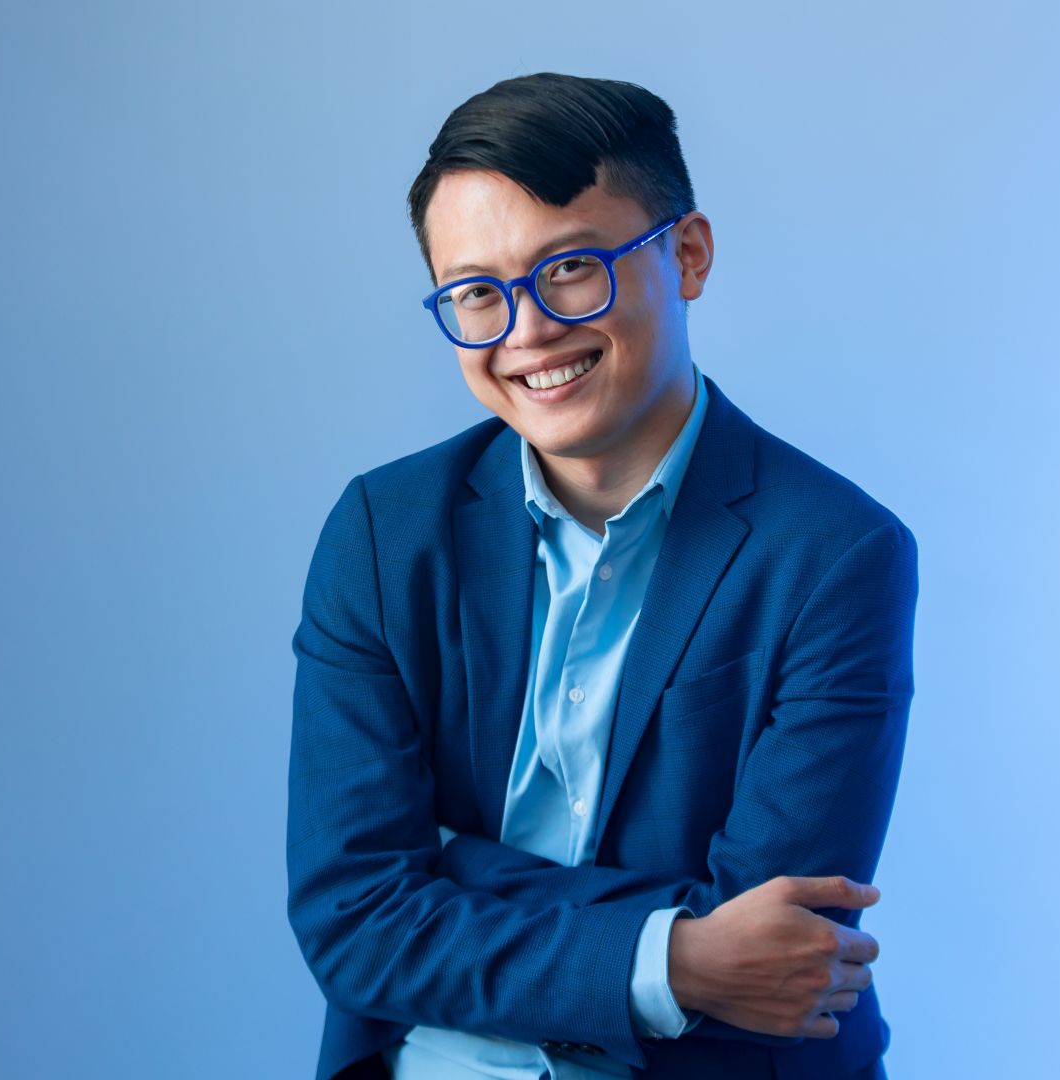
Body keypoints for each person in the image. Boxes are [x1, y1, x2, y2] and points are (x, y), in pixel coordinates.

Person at [287, 72, 918, 1080]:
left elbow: (779, 952)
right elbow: (353, 917)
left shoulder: (836, 552)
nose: (526, 331)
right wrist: (675, 956)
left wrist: (449, 871)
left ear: (688, 254)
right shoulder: (383, 533)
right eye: (477, 293)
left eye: (571, 268)